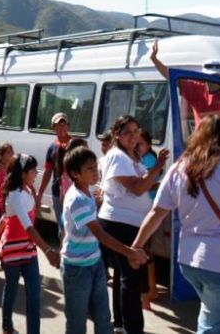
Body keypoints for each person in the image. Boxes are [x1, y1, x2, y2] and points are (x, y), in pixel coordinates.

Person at [132, 115, 220, 334]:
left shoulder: (179, 169)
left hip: (189, 262)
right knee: (213, 325)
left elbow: (156, 213)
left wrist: (137, 245)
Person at [61, 146, 148, 334]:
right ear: (76, 174)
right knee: (77, 323)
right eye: (90, 169)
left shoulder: (87, 192)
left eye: (95, 166)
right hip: (77, 269)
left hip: (94, 263)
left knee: (103, 319)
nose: (96, 172)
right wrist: (130, 252)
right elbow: (100, 234)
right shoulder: (77, 200)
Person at [97, 115, 169, 334]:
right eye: (128, 132)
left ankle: (120, 325)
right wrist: (157, 167)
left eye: (136, 131)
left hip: (129, 222)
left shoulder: (133, 155)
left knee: (123, 276)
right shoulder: (118, 157)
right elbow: (137, 188)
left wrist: (157, 177)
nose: (134, 136)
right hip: (120, 223)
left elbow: (143, 184)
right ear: (117, 134)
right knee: (131, 277)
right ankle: (132, 328)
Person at [0, 153, 60, 334]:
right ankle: (7, 326)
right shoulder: (14, 196)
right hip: (13, 250)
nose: (36, 174)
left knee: (34, 294)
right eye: (33, 171)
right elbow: (26, 226)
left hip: (29, 249)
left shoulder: (28, 190)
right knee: (12, 289)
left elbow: (6, 218)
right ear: (22, 173)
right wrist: (47, 250)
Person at [36, 112, 72, 234]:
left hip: (73, 192)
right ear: (53, 127)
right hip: (57, 191)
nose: (61, 128)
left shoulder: (75, 145)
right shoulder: (52, 148)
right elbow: (48, 171)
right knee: (62, 227)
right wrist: (40, 193)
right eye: (58, 125)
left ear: (68, 126)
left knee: (73, 226)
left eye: (64, 124)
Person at [135, 129, 160, 311]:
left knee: (144, 250)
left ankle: (151, 290)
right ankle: (151, 289)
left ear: (149, 145)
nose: (137, 146)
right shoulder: (145, 158)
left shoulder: (150, 160)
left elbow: (148, 182)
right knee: (145, 250)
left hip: (148, 208)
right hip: (145, 208)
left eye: (140, 144)